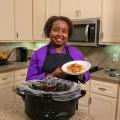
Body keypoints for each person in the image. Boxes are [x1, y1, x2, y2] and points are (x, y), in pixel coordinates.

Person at [26, 16, 90, 83]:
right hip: (45, 93)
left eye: (64, 31)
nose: (60, 34)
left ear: (68, 34)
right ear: (49, 31)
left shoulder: (76, 53)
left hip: (70, 93)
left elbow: (86, 76)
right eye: (55, 30)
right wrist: (52, 75)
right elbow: (29, 80)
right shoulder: (38, 54)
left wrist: (79, 73)